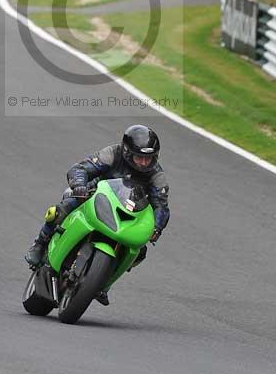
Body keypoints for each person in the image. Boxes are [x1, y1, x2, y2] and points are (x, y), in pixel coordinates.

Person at [25, 124, 170, 305]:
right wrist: (79, 185)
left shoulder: (157, 175)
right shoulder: (112, 154)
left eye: (148, 159)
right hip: (94, 196)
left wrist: (157, 227)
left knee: (140, 251)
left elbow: (161, 206)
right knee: (62, 209)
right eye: (139, 157)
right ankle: (39, 243)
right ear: (126, 151)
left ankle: (104, 281)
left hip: (127, 212)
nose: (143, 163)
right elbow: (79, 169)